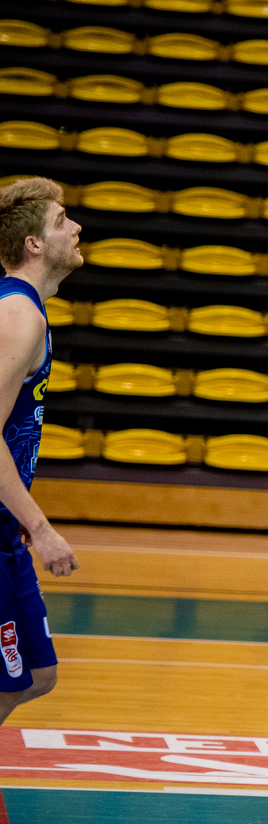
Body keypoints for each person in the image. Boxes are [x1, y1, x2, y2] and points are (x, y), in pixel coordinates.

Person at [0, 178, 82, 724]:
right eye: (60, 221)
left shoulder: (25, 308)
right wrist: (42, 527)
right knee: (7, 682)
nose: (75, 227)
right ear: (33, 244)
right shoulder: (17, 315)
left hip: (5, 528)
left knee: (37, 675)